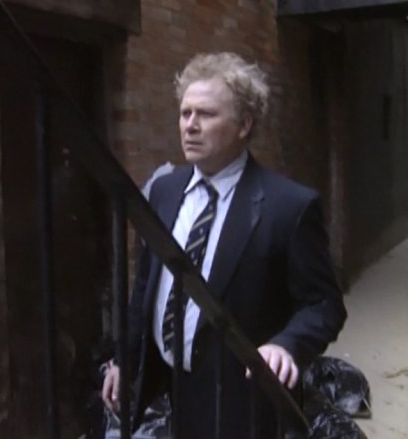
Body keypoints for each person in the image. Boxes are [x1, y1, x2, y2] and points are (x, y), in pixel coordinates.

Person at [101, 52, 347, 437]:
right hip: (173, 388)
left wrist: (286, 345)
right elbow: (148, 283)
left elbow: (324, 304)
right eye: (185, 113)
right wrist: (124, 359)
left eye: (206, 114)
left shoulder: (288, 206)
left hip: (244, 399)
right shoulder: (164, 192)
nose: (190, 126)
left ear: (244, 124)